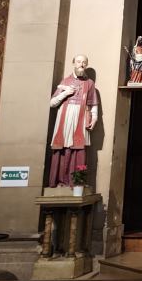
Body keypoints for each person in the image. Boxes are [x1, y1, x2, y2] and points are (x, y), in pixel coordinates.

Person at [48, 55, 101, 187]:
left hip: (81, 118)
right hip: (65, 117)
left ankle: (76, 182)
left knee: (79, 149)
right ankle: (60, 180)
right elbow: (52, 103)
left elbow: (93, 104)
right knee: (63, 147)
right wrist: (65, 93)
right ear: (73, 63)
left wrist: (94, 117)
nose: (81, 64)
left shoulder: (89, 83)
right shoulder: (65, 81)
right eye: (78, 61)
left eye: (84, 62)